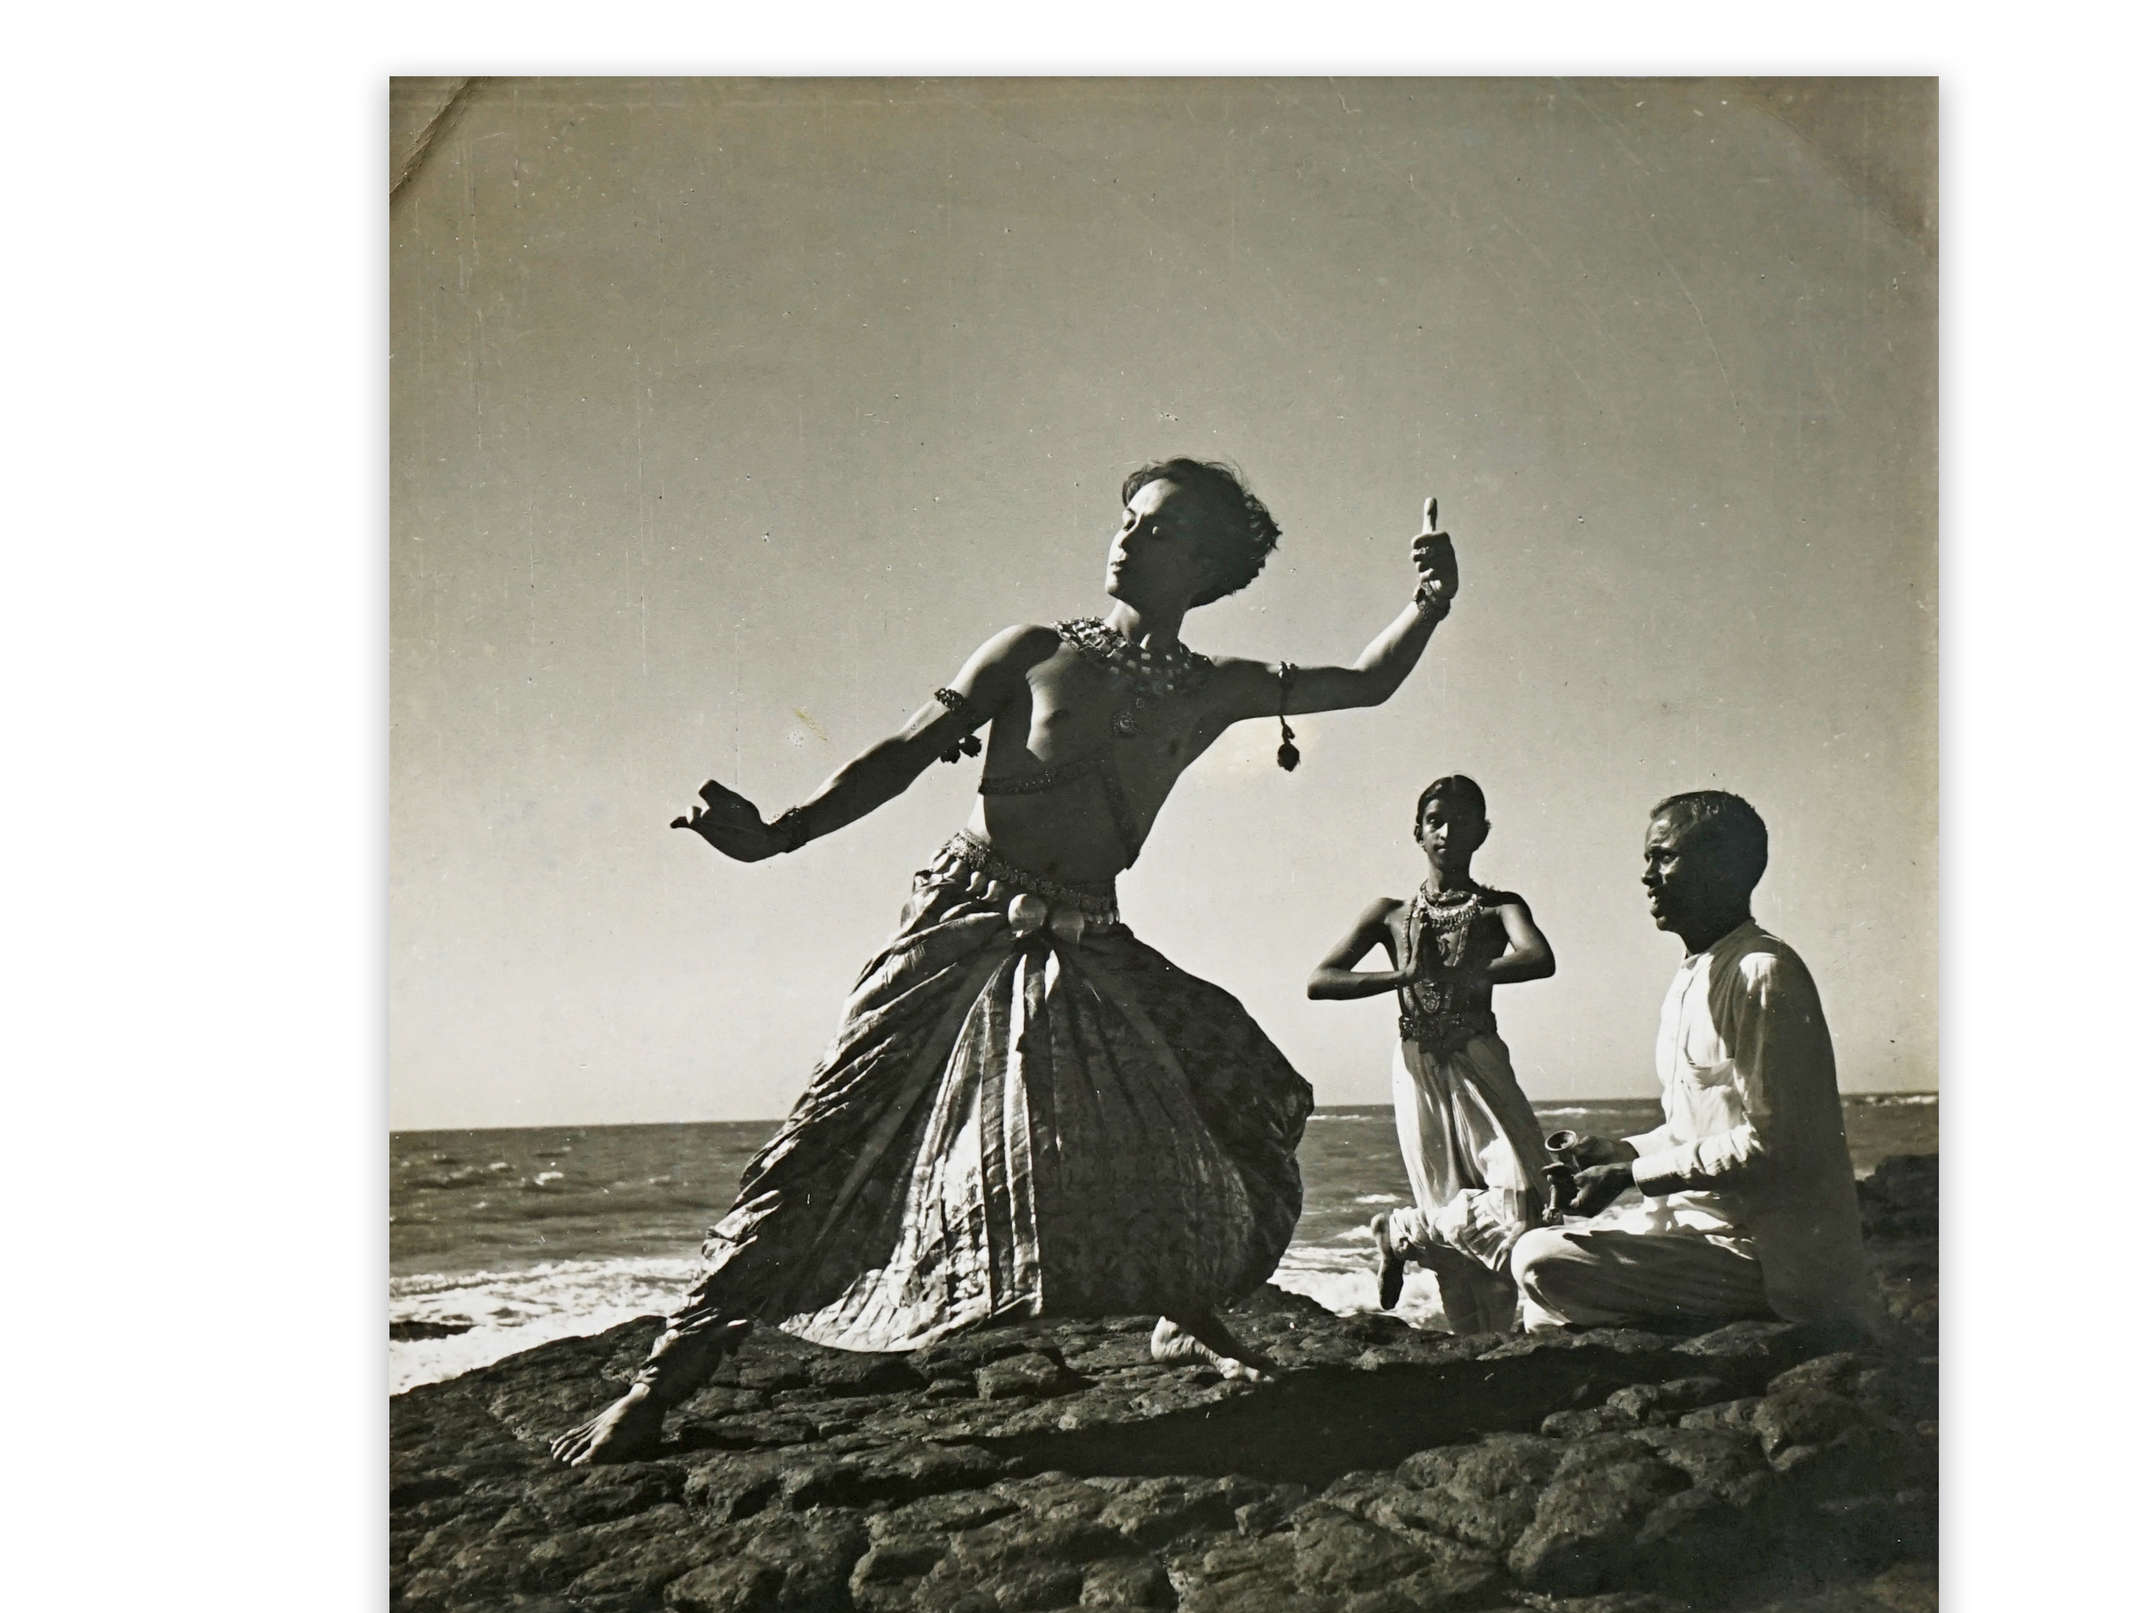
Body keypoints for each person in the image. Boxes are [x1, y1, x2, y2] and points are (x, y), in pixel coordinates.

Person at [553, 460, 1462, 1464]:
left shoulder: (1213, 689)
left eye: (1155, 531)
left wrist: (1427, 605)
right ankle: (659, 1383)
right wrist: (779, 834)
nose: (1124, 538)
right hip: (963, 916)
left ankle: (1185, 1315)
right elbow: (904, 751)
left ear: (1201, 564)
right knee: (827, 1139)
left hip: (1093, 935)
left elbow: (1367, 682)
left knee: (1234, 1088)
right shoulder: (1034, 650)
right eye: (1125, 519)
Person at [1507, 792, 1880, 1336]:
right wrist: (1620, 1152)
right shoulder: (1694, 974)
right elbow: (1693, 1129)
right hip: (1694, 1234)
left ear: (1723, 866)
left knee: (1539, 1259)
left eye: (1663, 857)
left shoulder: (1761, 972)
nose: (1648, 877)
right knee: (1538, 1299)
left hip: (1765, 1259)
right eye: (1647, 860)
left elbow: (1774, 1142)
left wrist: (1631, 1176)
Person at [1306, 776, 1556, 1334]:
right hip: (1417, 1061)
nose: (1448, 832)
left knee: (1525, 1199)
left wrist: (1461, 973)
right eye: (1436, 821)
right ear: (1417, 832)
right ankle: (1479, 1347)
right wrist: (1403, 975)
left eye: (1463, 821)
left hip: (1479, 1055)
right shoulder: (1390, 914)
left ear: (1482, 832)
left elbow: (1539, 957)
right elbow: (1321, 980)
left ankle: (1400, 1232)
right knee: (1445, 1194)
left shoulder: (1499, 906)